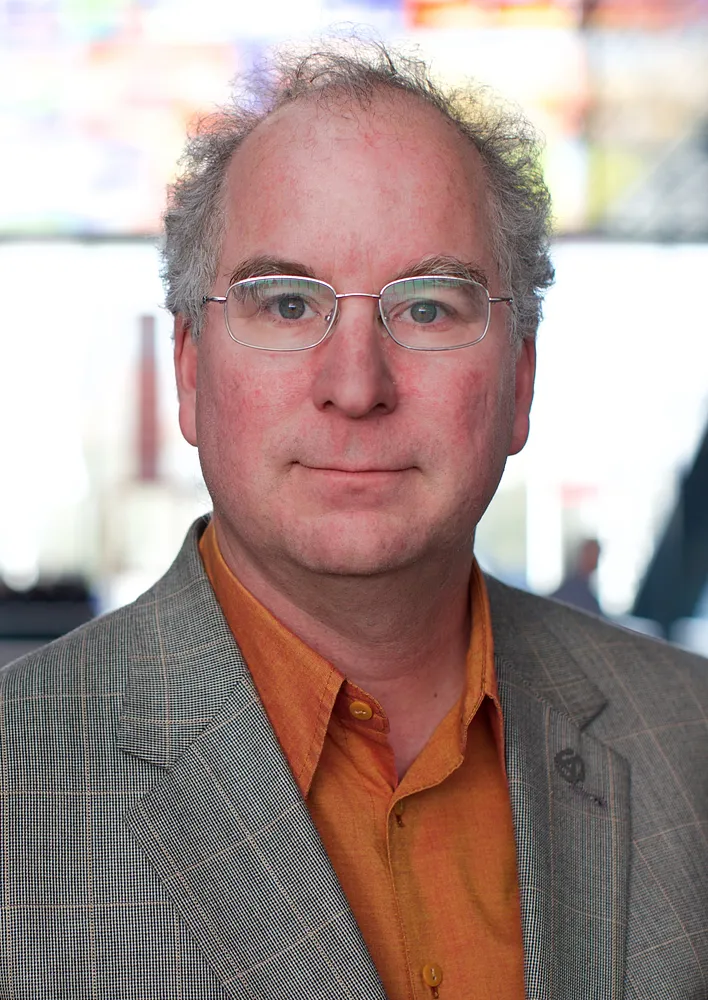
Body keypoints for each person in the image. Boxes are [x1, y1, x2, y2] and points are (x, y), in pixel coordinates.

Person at [1, 41, 706, 1000]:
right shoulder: (18, 784)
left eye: (428, 309)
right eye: (289, 304)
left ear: (520, 381)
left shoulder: (690, 736)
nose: (357, 385)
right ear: (192, 371)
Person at [551, 537, 603, 615]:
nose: (594, 560)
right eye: (590, 554)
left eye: (596, 555)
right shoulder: (568, 592)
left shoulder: (590, 599)